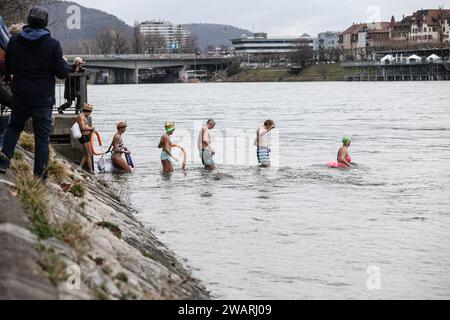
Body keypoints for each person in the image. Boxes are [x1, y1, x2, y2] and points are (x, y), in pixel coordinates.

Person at [0, 8, 70, 178]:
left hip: (21, 94)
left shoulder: (15, 41)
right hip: (43, 97)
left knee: (14, 126)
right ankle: (40, 176)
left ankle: (3, 161)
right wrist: (65, 66)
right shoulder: (52, 44)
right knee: (42, 138)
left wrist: (12, 78)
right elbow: (61, 72)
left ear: (28, 21)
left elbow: (7, 67)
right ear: (45, 23)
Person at [77, 103, 96, 174]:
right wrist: (91, 128)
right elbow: (82, 127)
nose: (90, 114)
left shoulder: (84, 116)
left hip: (86, 136)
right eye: (90, 113)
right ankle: (91, 170)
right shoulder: (81, 116)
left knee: (88, 153)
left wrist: (91, 129)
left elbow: (86, 126)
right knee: (89, 154)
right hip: (83, 137)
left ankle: (80, 167)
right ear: (88, 111)